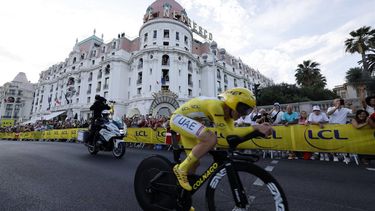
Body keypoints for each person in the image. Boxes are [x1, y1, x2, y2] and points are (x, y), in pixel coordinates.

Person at [170, 87, 273, 191]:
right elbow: (227, 133)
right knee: (210, 138)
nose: (243, 115)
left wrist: (257, 129)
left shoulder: (227, 115)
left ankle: (182, 197)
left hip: (188, 121)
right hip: (177, 118)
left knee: (194, 164)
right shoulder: (216, 106)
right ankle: (180, 169)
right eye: (243, 109)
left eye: (248, 111)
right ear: (233, 103)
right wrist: (256, 127)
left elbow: (231, 134)